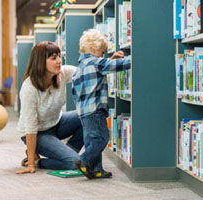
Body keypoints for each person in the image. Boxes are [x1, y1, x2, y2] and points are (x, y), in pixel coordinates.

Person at [16, 41, 84, 174]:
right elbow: (30, 127)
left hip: (57, 123)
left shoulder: (62, 73)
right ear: (40, 62)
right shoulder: (29, 88)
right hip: (38, 132)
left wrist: (108, 62)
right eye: (53, 58)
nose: (59, 61)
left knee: (88, 115)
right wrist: (31, 164)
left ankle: (68, 154)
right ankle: (39, 161)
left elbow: (87, 71)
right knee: (75, 164)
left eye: (59, 56)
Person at [72, 29, 131, 179]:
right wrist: (136, 59)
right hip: (96, 109)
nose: (103, 56)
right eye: (102, 52)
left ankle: (96, 169)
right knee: (102, 138)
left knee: (91, 140)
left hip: (83, 112)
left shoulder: (80, 66)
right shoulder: (97, 62)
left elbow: (100, 69)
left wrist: (110, 59)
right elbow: (116, 65)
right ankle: (84, 160)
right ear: (93, 49)